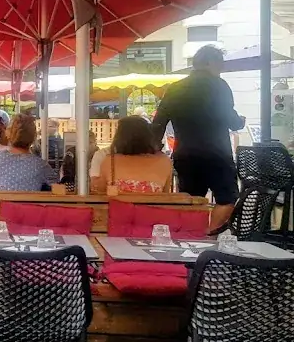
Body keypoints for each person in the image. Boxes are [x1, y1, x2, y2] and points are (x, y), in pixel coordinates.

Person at [153, 45, 244, 230]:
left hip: (186, 155)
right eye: (220, 63)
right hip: (217, 154)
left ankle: (193, 236)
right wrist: (240, 121)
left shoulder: (175, 88)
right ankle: (209, 233)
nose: (222, 68)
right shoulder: (219, 86)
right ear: (210, 62)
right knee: (227, 199)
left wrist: (154, 148)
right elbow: (231, 120)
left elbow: (158, 123)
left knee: (191, 201)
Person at [93, 116, 174, 194]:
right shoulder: (165, 162)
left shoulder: (110, 161)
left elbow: (101, 192)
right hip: (152, 204)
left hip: (118, 204)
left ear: (119, 137)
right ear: (149, 136)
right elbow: (165, 194)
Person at [0, 115, 57, 191]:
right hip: (28, 199)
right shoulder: (41, 165)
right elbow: (58, 187)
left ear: (8, 134)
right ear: (33, 137)